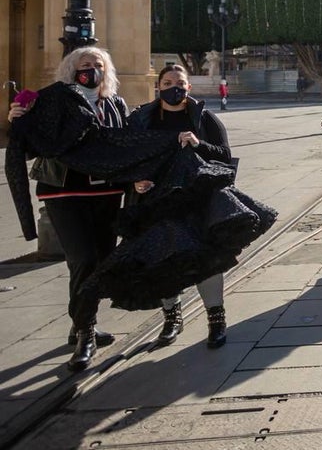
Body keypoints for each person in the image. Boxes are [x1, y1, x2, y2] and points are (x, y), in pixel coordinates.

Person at [5, 47, 131, 371]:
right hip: (64, 191)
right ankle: (85, 334)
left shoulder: (115, 104)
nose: (91, 70)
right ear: (70, 70)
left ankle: (81, 321)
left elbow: (127, 143)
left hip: (107, 192)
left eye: (97, 65)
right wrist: (19, 120)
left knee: (100, 262)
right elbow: (31, 144)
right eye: (84, 65)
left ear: (107, 71)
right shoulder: (52, 101)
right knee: (83, 258)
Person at [128, 64, 232, 348]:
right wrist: (136, 182)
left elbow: (225, 156)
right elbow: (128, 159)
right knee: (162, 259)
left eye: (180, 82)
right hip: (157, 202)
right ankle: (172, 315)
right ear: (158, 86)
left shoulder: (204, 118)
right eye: (168, 81)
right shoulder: (142, 120)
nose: (175, 86)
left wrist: (198, 144)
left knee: (206, 258)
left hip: (197, 199)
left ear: (189, 87)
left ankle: (216, 317)